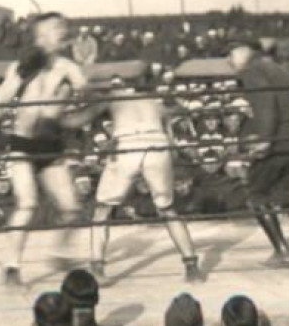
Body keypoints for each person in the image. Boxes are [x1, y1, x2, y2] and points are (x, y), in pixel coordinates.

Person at [63, 69, 201, 281]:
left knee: (102, 209)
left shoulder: (116, 97)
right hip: (157, 144)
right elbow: (182, 114)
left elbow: (77, 120)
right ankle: (191, 265)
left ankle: (97, 267)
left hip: (127, 144)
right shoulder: (157, 101)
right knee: (167, 208)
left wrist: (49, 116)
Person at [0, 12, 91, 284]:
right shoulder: (20, 66)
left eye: (61, 27)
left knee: (71, 208)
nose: (59, 32)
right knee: (27, 203)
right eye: (52, 29)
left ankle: (59, 252)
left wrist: (70, 95)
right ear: (39, 36)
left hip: (51, 145)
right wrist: (20, 76)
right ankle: (11, 265)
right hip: (22, 144)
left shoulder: (68, 67)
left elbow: (86, 97)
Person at [225, 39, 289, 266]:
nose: (228, 61)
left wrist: (265, 140)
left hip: (280, 139)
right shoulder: (277, 68)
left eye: (230, 54)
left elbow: (265, 105)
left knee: (256, 195)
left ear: (244, 51)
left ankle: (282, 252)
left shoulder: (253, 70)